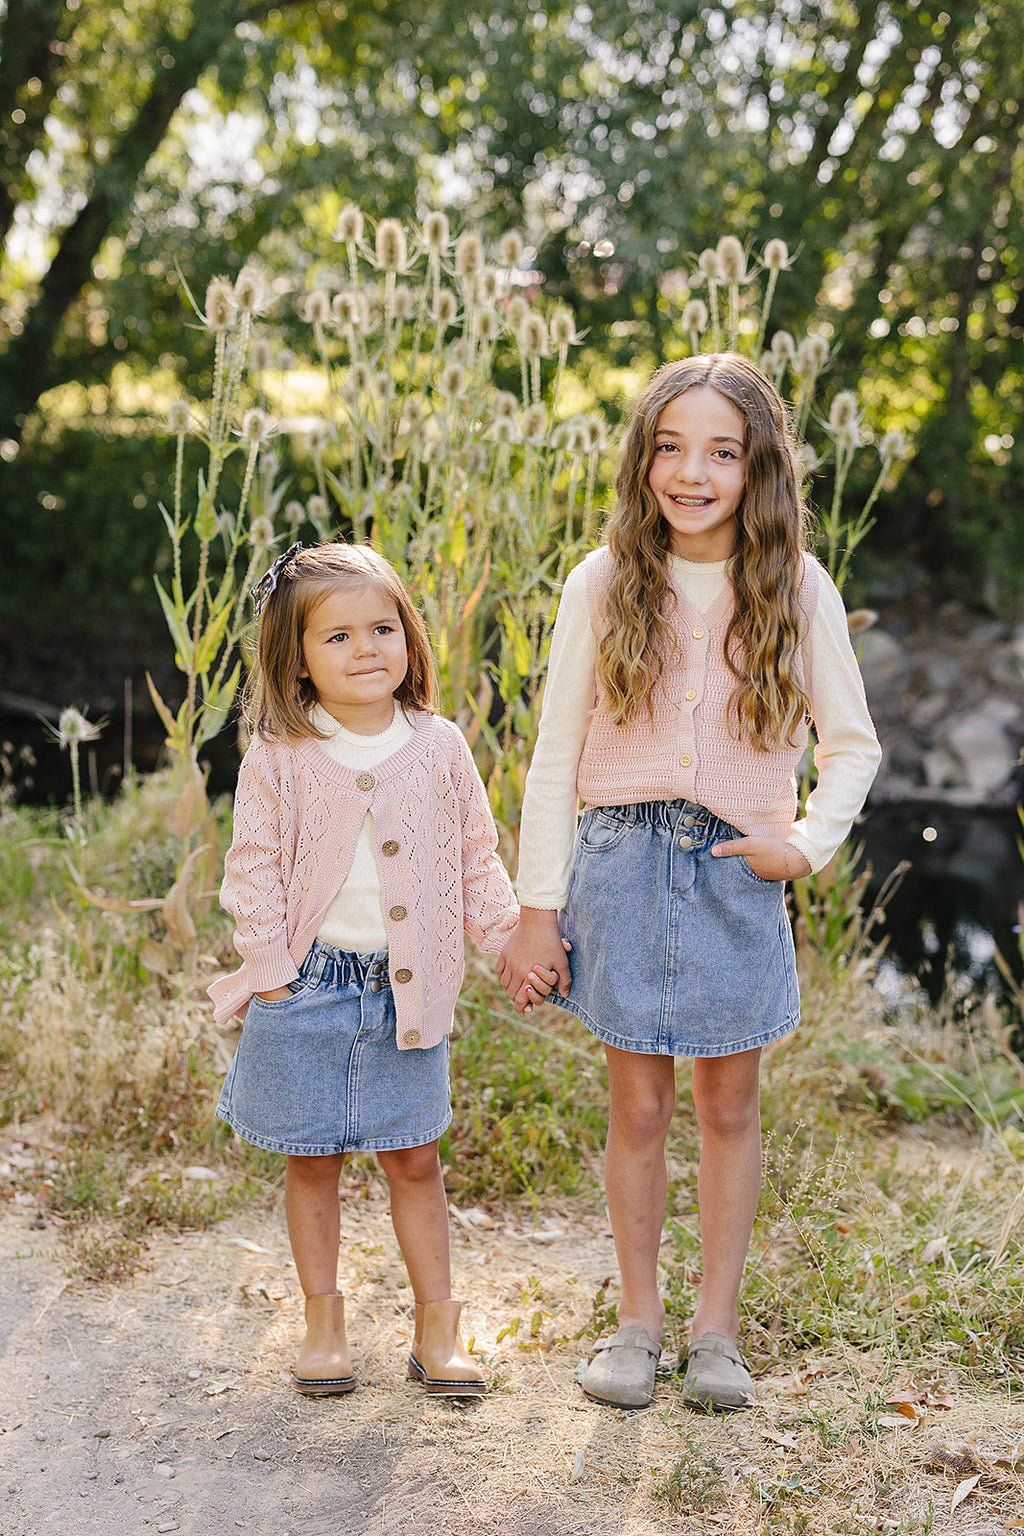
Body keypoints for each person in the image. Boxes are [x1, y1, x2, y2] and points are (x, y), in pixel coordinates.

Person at [497, 353, 881, 1412]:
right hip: (617, 866)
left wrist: (801, 844)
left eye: (720, 450)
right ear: (642, 459)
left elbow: (851, 745)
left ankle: (715, 1329)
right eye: (669, 447)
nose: (691, 471)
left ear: (757, 464)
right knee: (636, 1105)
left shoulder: (797, 585)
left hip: (730, 874)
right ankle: (635, 1321)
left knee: (727, 1103)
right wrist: (536, 910)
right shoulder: (602, 578)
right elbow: (555, 758)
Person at [209, 540, 523, 1399]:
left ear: (410, 640)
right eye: (337, 637)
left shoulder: (439, 746)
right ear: (298, 660)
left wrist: (506, 940)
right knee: (312, 1161)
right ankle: (322, 1321)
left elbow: (474, 858)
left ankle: (437, 1327)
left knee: (414, 1159)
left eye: (382, 628)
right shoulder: (281, 753)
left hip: (405, 991)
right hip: (306, 987)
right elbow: (254, 866)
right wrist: (272, 972)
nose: (365, 650)